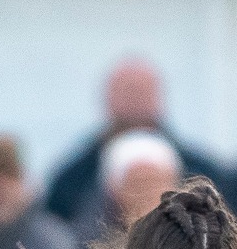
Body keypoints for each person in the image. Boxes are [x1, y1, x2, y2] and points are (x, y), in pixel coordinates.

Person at [44, 58, 224, 226]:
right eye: (126, 91)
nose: (134, 100)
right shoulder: (71, 181)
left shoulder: (208, 176)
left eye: (142, 91)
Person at [71, 128, 183, 248]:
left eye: (156, 183)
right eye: (138, 184)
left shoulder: (194, 239)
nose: (148, 193)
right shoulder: (87, 240)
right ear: (114, 190)